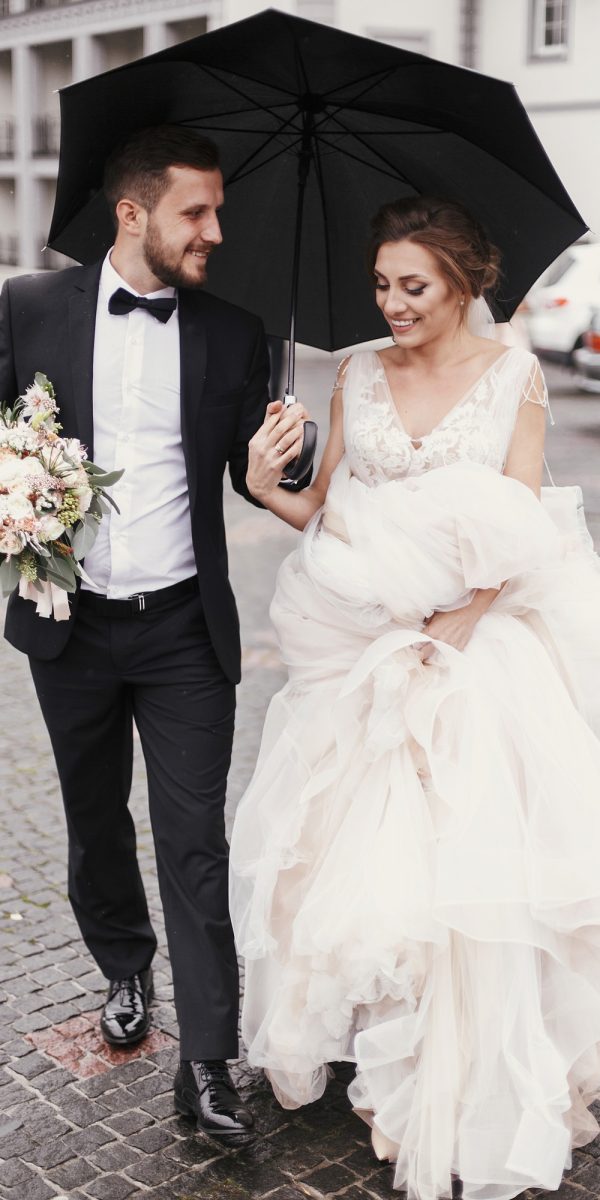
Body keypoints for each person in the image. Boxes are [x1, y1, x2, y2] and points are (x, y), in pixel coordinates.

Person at [230, 196, 600, 1196]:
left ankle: (454, 1070)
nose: (392, 302)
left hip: (476, 649)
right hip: (359, 642)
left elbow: (525, 520)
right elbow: (325, 509)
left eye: (414, 286)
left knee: (467, 867)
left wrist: (466, 620)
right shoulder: (355, 373)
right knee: (360, 858)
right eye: (383, 284)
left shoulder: (515, 375)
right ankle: (384, 1043)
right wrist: (271, 485)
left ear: (464, 283)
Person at [0, 124, 309, 1146]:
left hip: (184, 629)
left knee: (195, 843)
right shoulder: (27, 307)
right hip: (71, 627)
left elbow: (258, 483)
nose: (215, 229)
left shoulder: (237, 330)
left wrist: (284, 460)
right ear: (133, 213)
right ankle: (124, 966)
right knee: (95, 823)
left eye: (218, 210)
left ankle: (207, 1061)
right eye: (196, 211)